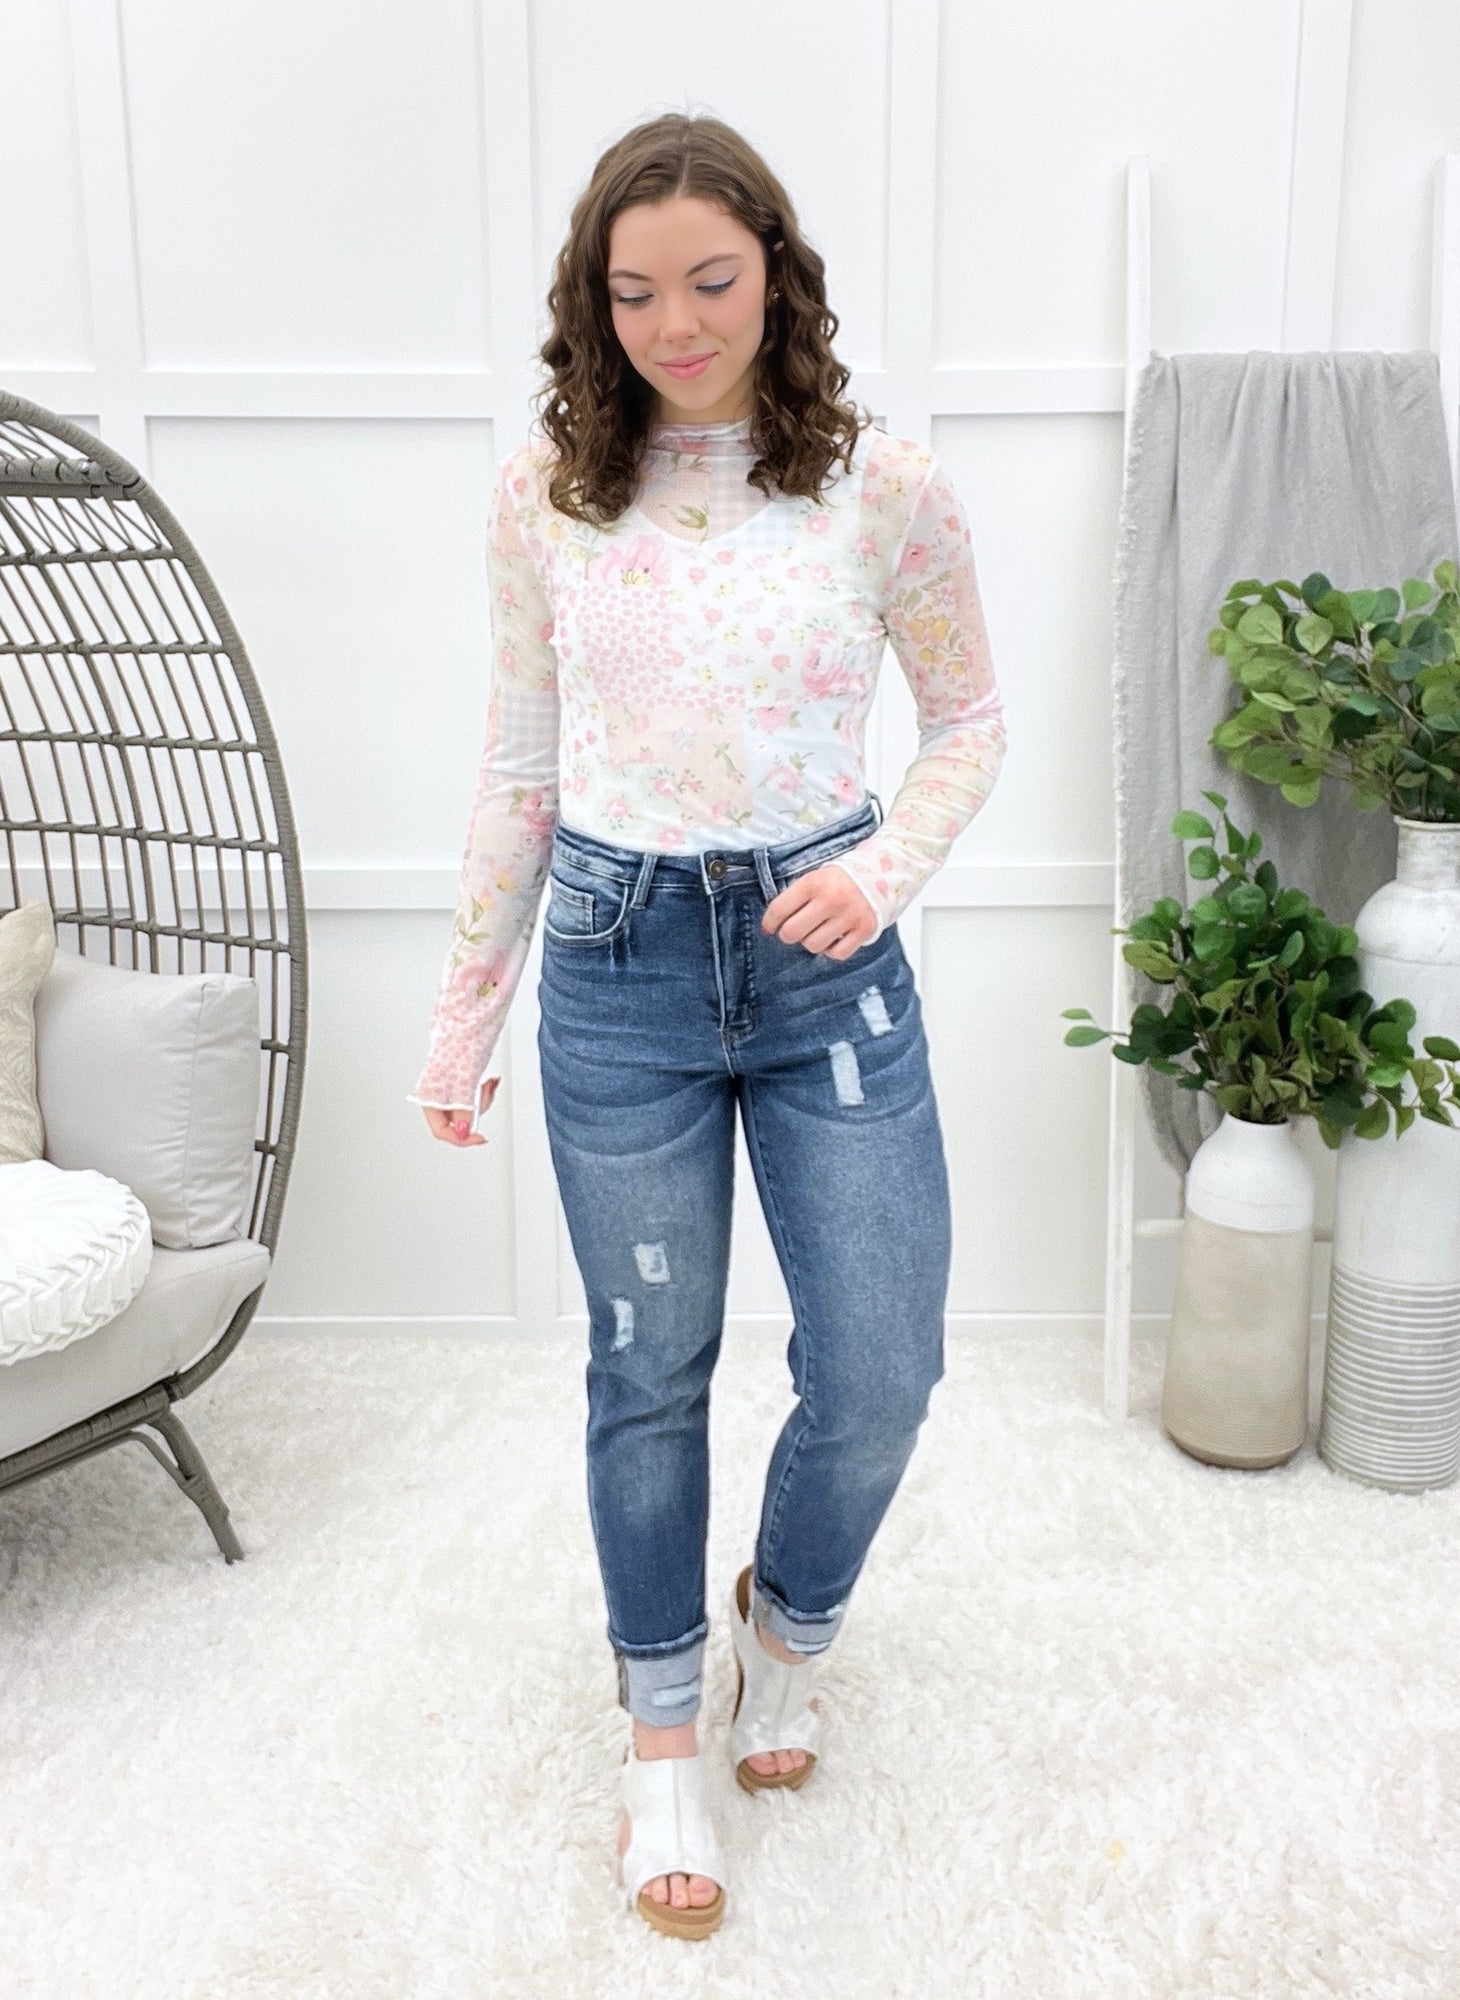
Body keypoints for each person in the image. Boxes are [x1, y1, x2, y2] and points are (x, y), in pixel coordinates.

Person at [410, 111, 1007, 1940]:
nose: (676, 323)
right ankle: (663, 1736)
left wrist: (883, 872)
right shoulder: (547, 493)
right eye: (635, 291)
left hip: (827, 960)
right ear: (594, 303)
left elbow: (970, 722)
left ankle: (788, 1628)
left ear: (778, 274)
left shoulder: (885, 486)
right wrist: (462, 1017)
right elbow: (521, 765)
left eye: (712, 281)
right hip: (618, 964)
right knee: (647, 1367)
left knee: (883, 1362)